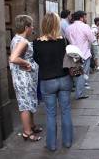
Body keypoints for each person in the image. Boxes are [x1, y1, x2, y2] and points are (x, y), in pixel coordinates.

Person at [33, 12, 73, 151]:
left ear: (44, 24)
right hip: (64, 79)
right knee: (66, 111)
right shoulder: (63, 41)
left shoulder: (36, 43)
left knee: (50, 114)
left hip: (47, 81)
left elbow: (37, 60)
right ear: (56, 24)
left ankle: (51, 145)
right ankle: (67, 142)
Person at [9, 15, 41, 142]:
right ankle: (27, 132)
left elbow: (11, 57)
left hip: (24, 78)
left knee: (29, 102)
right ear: (26, 27)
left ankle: (31, 126)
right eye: (31, 26)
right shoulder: (22, 41)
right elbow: (13, 58)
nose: (32, 28)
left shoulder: (16, 39)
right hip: (24, 79)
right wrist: (27, 64)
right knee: (25, 105)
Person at [66, 11, 95, 99]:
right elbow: (92, 39)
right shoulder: (85, 26)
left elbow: (67, 38)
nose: (86, 19)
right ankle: (80, 93)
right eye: (85, 17)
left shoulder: (69, 28)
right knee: (82, 74)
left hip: (72, 54)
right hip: (84, 53)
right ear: (81, 18)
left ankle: (75, 90)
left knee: (74, 73)